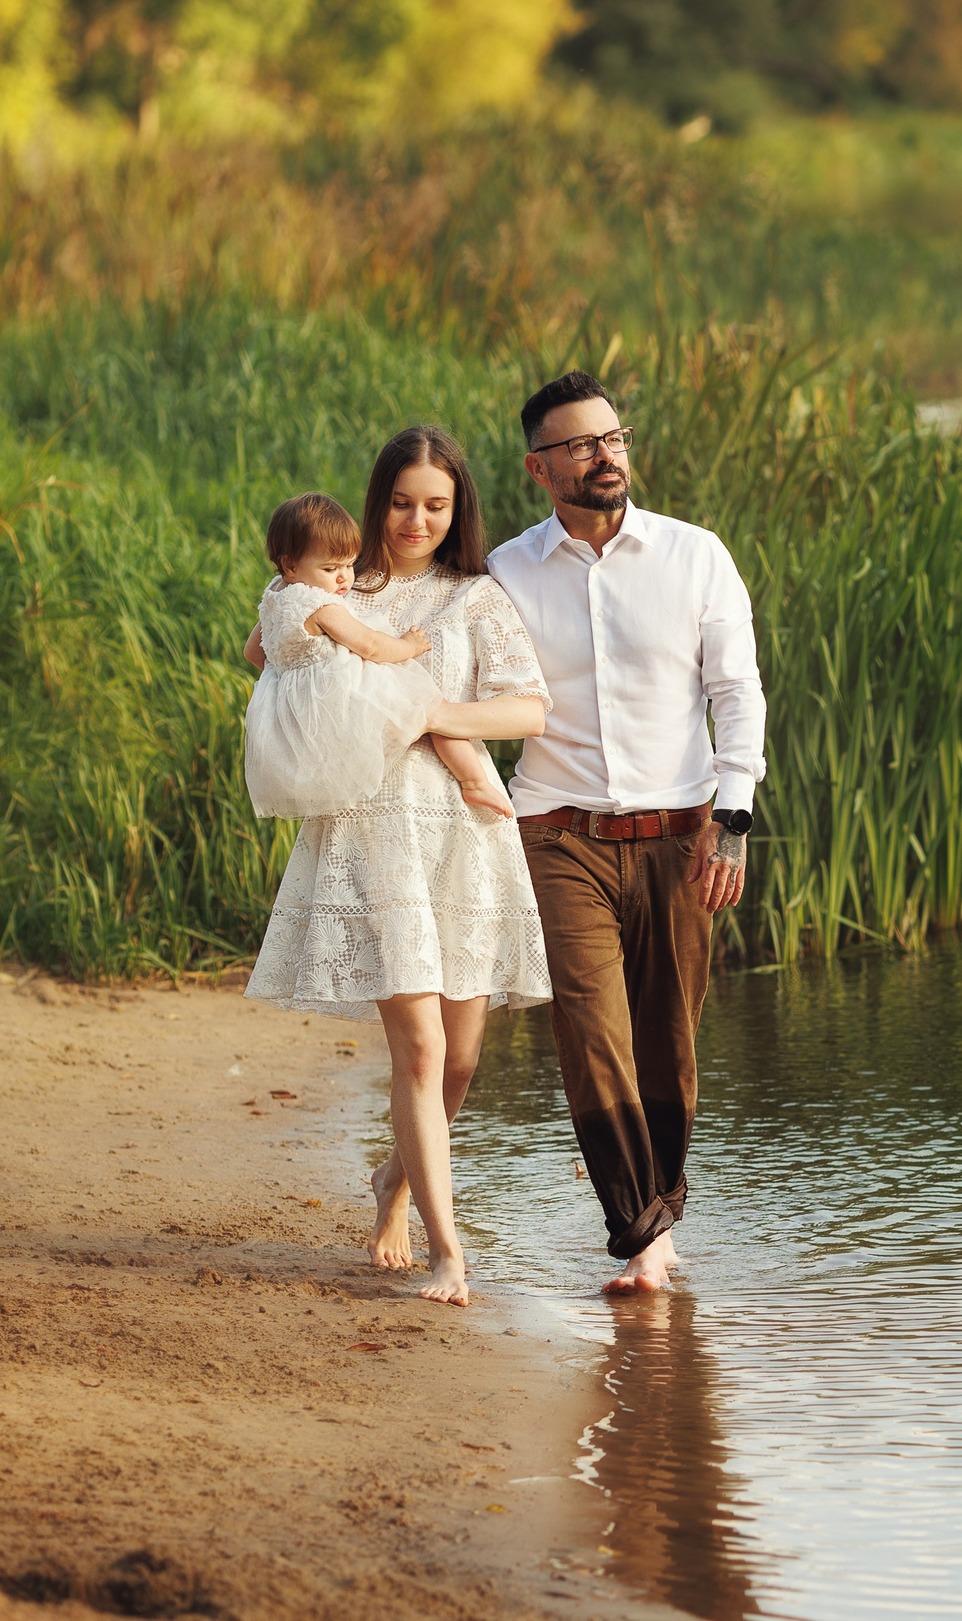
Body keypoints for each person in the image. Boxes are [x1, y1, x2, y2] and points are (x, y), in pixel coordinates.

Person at [243, 427, 553, 1307]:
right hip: (372, 834)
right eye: (402, 500)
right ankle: (448, 1253)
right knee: (416, 1049)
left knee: (458, 1058)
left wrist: (430, 713)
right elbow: (266, 657)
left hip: (461, 833)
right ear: (379, 499)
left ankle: (397, 1179)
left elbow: (530, 708)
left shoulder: (475, 598)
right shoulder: (334, 580)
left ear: (456, 511)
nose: (416, 519)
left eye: (436, 504)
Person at [487, 372, 766, 1295]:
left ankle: (662, 1207)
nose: (607, 455)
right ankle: (639, 1234)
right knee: (591, 1031)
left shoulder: (696, 557)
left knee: (668, 1042)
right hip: (557, 834)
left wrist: (732, 816)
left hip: (682, 837)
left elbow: (736, 691)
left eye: (615, 437)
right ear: (540, 468)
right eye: (581, 444)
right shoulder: (504, 573)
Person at [241, 491, 514, 823]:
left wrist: (296, 671)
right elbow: (369, 645)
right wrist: (409, 646)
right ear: (290, 565)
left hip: (301, 707)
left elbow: (254, 651)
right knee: (429, 707)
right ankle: (474, 781)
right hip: (347, 686)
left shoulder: (276, 595)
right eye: (330, 568)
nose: (344, 577)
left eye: (348, 565)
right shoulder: (319, 603)